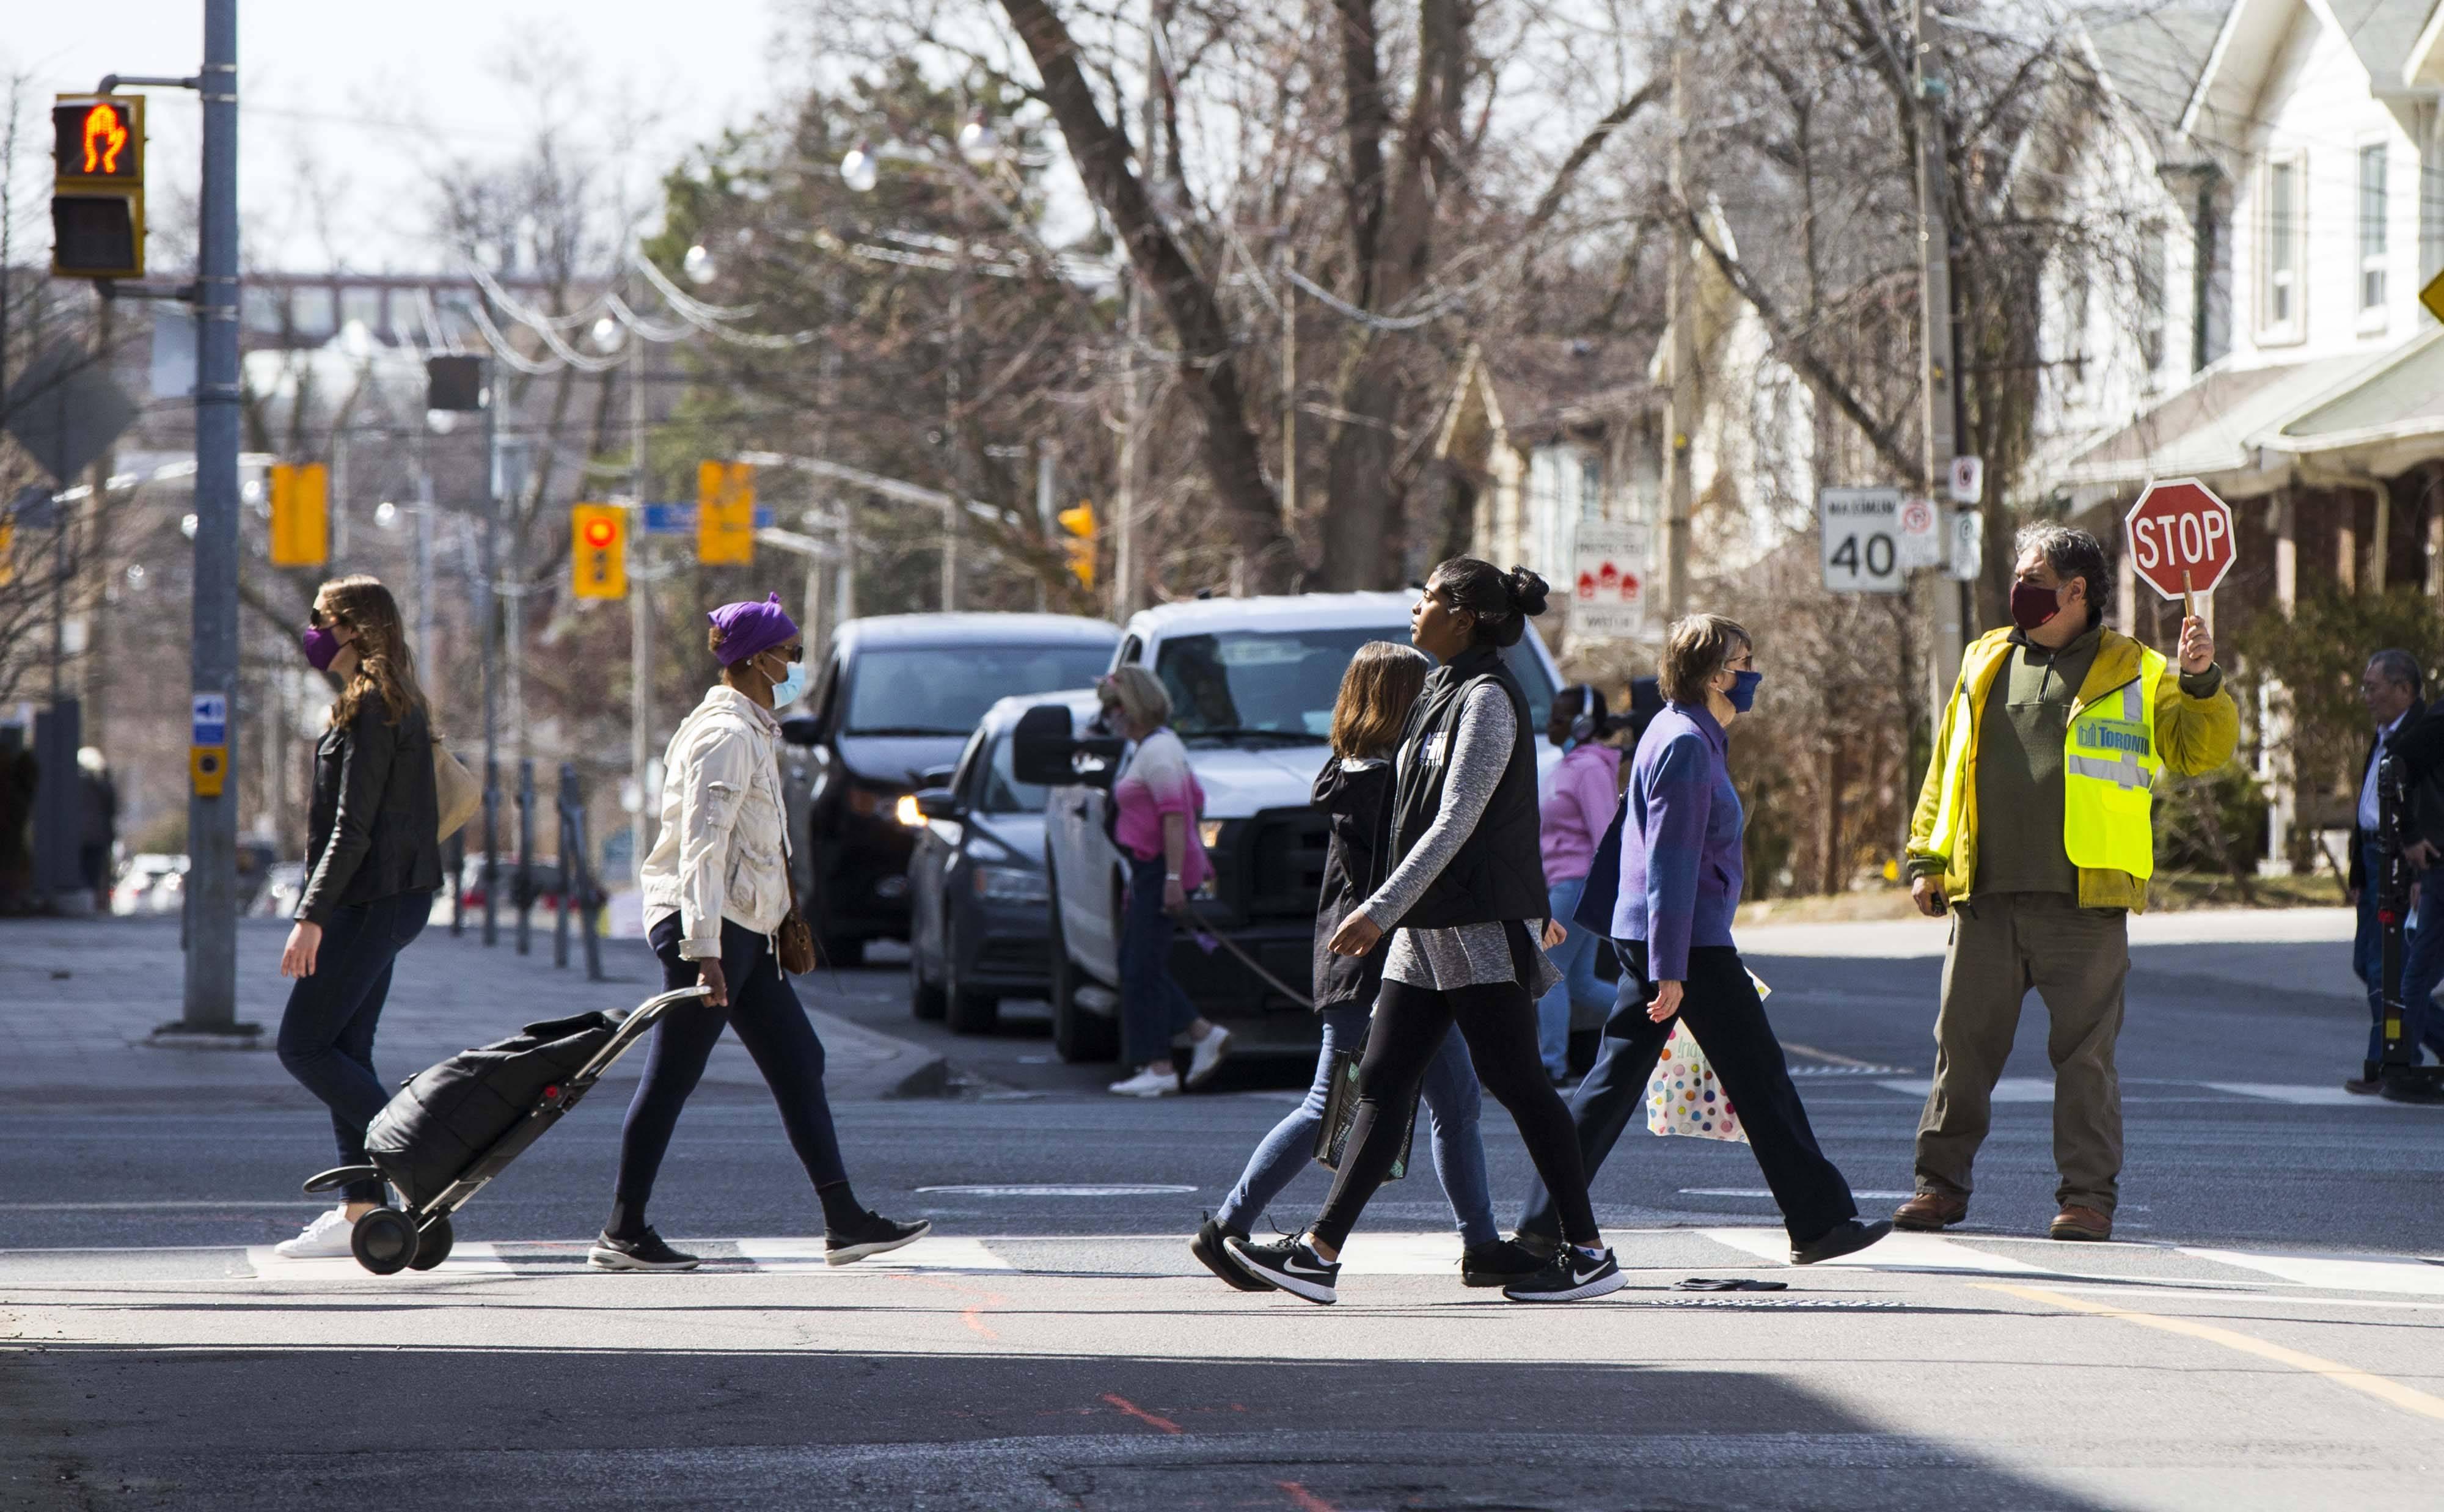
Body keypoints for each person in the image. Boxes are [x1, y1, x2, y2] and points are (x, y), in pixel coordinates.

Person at [1225, 560, 1623, 1304]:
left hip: (1469, 923)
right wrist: (1393, 909)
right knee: (1379, 1086)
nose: (1417, 607)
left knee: (1518, 1084)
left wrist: (1379, 907)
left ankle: (1589, 1251)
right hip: (1424, 928)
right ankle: (1319, 1253)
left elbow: (1460, 820)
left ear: (1466, 616)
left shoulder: (1490, 700)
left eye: (1432, 598)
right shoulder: (1438, 690)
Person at [1516, 616, 1889, 1265]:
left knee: (1612, 1087)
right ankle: (1820, 1220)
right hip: (1688, 942)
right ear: (1716, 674)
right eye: (1745, 661)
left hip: (1660, 935)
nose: (1752, 674)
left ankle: (1542, 1224)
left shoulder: (1676, 729)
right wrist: (1669, 966)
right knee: (1760, 1078)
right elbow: (1670, 859)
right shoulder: (1687, 742)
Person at [1901, 525, 2237, 1243]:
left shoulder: (2138, 667)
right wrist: (1925, 856)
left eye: (2033, 577)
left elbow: (2195, 750)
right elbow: (1946, 766)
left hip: (2085, 902)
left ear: (2077, 591)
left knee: (2084, 1062)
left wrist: (2202, 680)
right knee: (1961, 1050)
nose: (2018, 589)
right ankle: (1938, 1187)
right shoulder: (1985, 658)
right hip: (1984, 899)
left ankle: (2086, 1199)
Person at [1191, 641, 1543, 1292]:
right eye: (1424, 697)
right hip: (1376, 971)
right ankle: (1226, 1227)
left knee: (1457, 1104)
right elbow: (1395, 887)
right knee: (1330, 1103)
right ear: (1397, 704)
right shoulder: (1374, 786)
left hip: (1405, 967)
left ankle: (1482, 1244)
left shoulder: (1363, 774)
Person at [593, 593, 927, 1271]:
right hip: (713, 929)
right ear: (757, 661)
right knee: (671, 1079)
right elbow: (701, 848)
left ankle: (844, 1221)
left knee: (800, 1062)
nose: (797, 666)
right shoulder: (724, 735)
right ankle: (623, 1233)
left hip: (744, 927)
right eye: (792, 654)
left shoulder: (750, 728)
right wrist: (704, 950)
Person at [272, 575, 445, 1258]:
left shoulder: (374, 706)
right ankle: (360, 1211)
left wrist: (310, 915)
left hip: (372, 898)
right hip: (387, 897)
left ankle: (418, 1155)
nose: (311, 633)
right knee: (345, 1051)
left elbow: (353, 827)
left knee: (304, 1046)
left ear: (353, 628)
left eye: (321, 619)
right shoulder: (375, 701)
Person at [1099, 666, 1234, 1098]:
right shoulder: (1150, 749)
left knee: (1140, 968)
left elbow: (1175, 816)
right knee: (1139, 964)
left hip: (1161, 868)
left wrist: (1173, 878)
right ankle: (1199, 1032)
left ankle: (1159, 1062)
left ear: (1132, 707)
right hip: (1149, 869)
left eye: (1113, 708)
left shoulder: (1157, 752)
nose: (1109, 718)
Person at [2345, 650, 2444, 1092]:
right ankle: (2398, 1050)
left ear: (2405, 689)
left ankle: (2390, 1057)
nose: (2367, 696)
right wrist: (2357, 874)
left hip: (2407, 864)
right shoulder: (2387, 734)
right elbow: (2368, 806)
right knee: (2371, 965)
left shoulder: (2421, 732)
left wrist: (2420, 870)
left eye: (2374, 687)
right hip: (2375, 857)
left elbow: (2424, 806)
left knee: (2395, 968)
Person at [1533, 684, 1623, 1083]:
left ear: (1583, 723)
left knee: (1547, 970)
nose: (1551, 722)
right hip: (1562, 883)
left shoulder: (1589, 768)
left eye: (1559, 715)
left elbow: (1606, 832)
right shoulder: (1565, 766)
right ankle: (1663, 1016)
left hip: (1577, 883)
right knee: (1581, 983)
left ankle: (1550, 1065)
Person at [76, 747, 117, 912]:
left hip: (80, 835)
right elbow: (111, 807)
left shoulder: (75, 783)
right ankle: (92, 903)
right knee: (93, 870)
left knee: (84, 870)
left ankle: (86, 902)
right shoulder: (102, 784)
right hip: (98, 835)